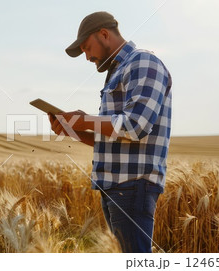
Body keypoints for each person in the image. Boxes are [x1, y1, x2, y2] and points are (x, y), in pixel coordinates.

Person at [48, 11, 172, 253]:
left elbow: (136, 125)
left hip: (132, 186)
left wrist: (84, 121)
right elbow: (112, 139)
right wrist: (73, 130)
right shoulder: (117, 72)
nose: (86, 57)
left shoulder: (143, 62)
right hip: (114, 187)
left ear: (104, 34)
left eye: (87, 47)